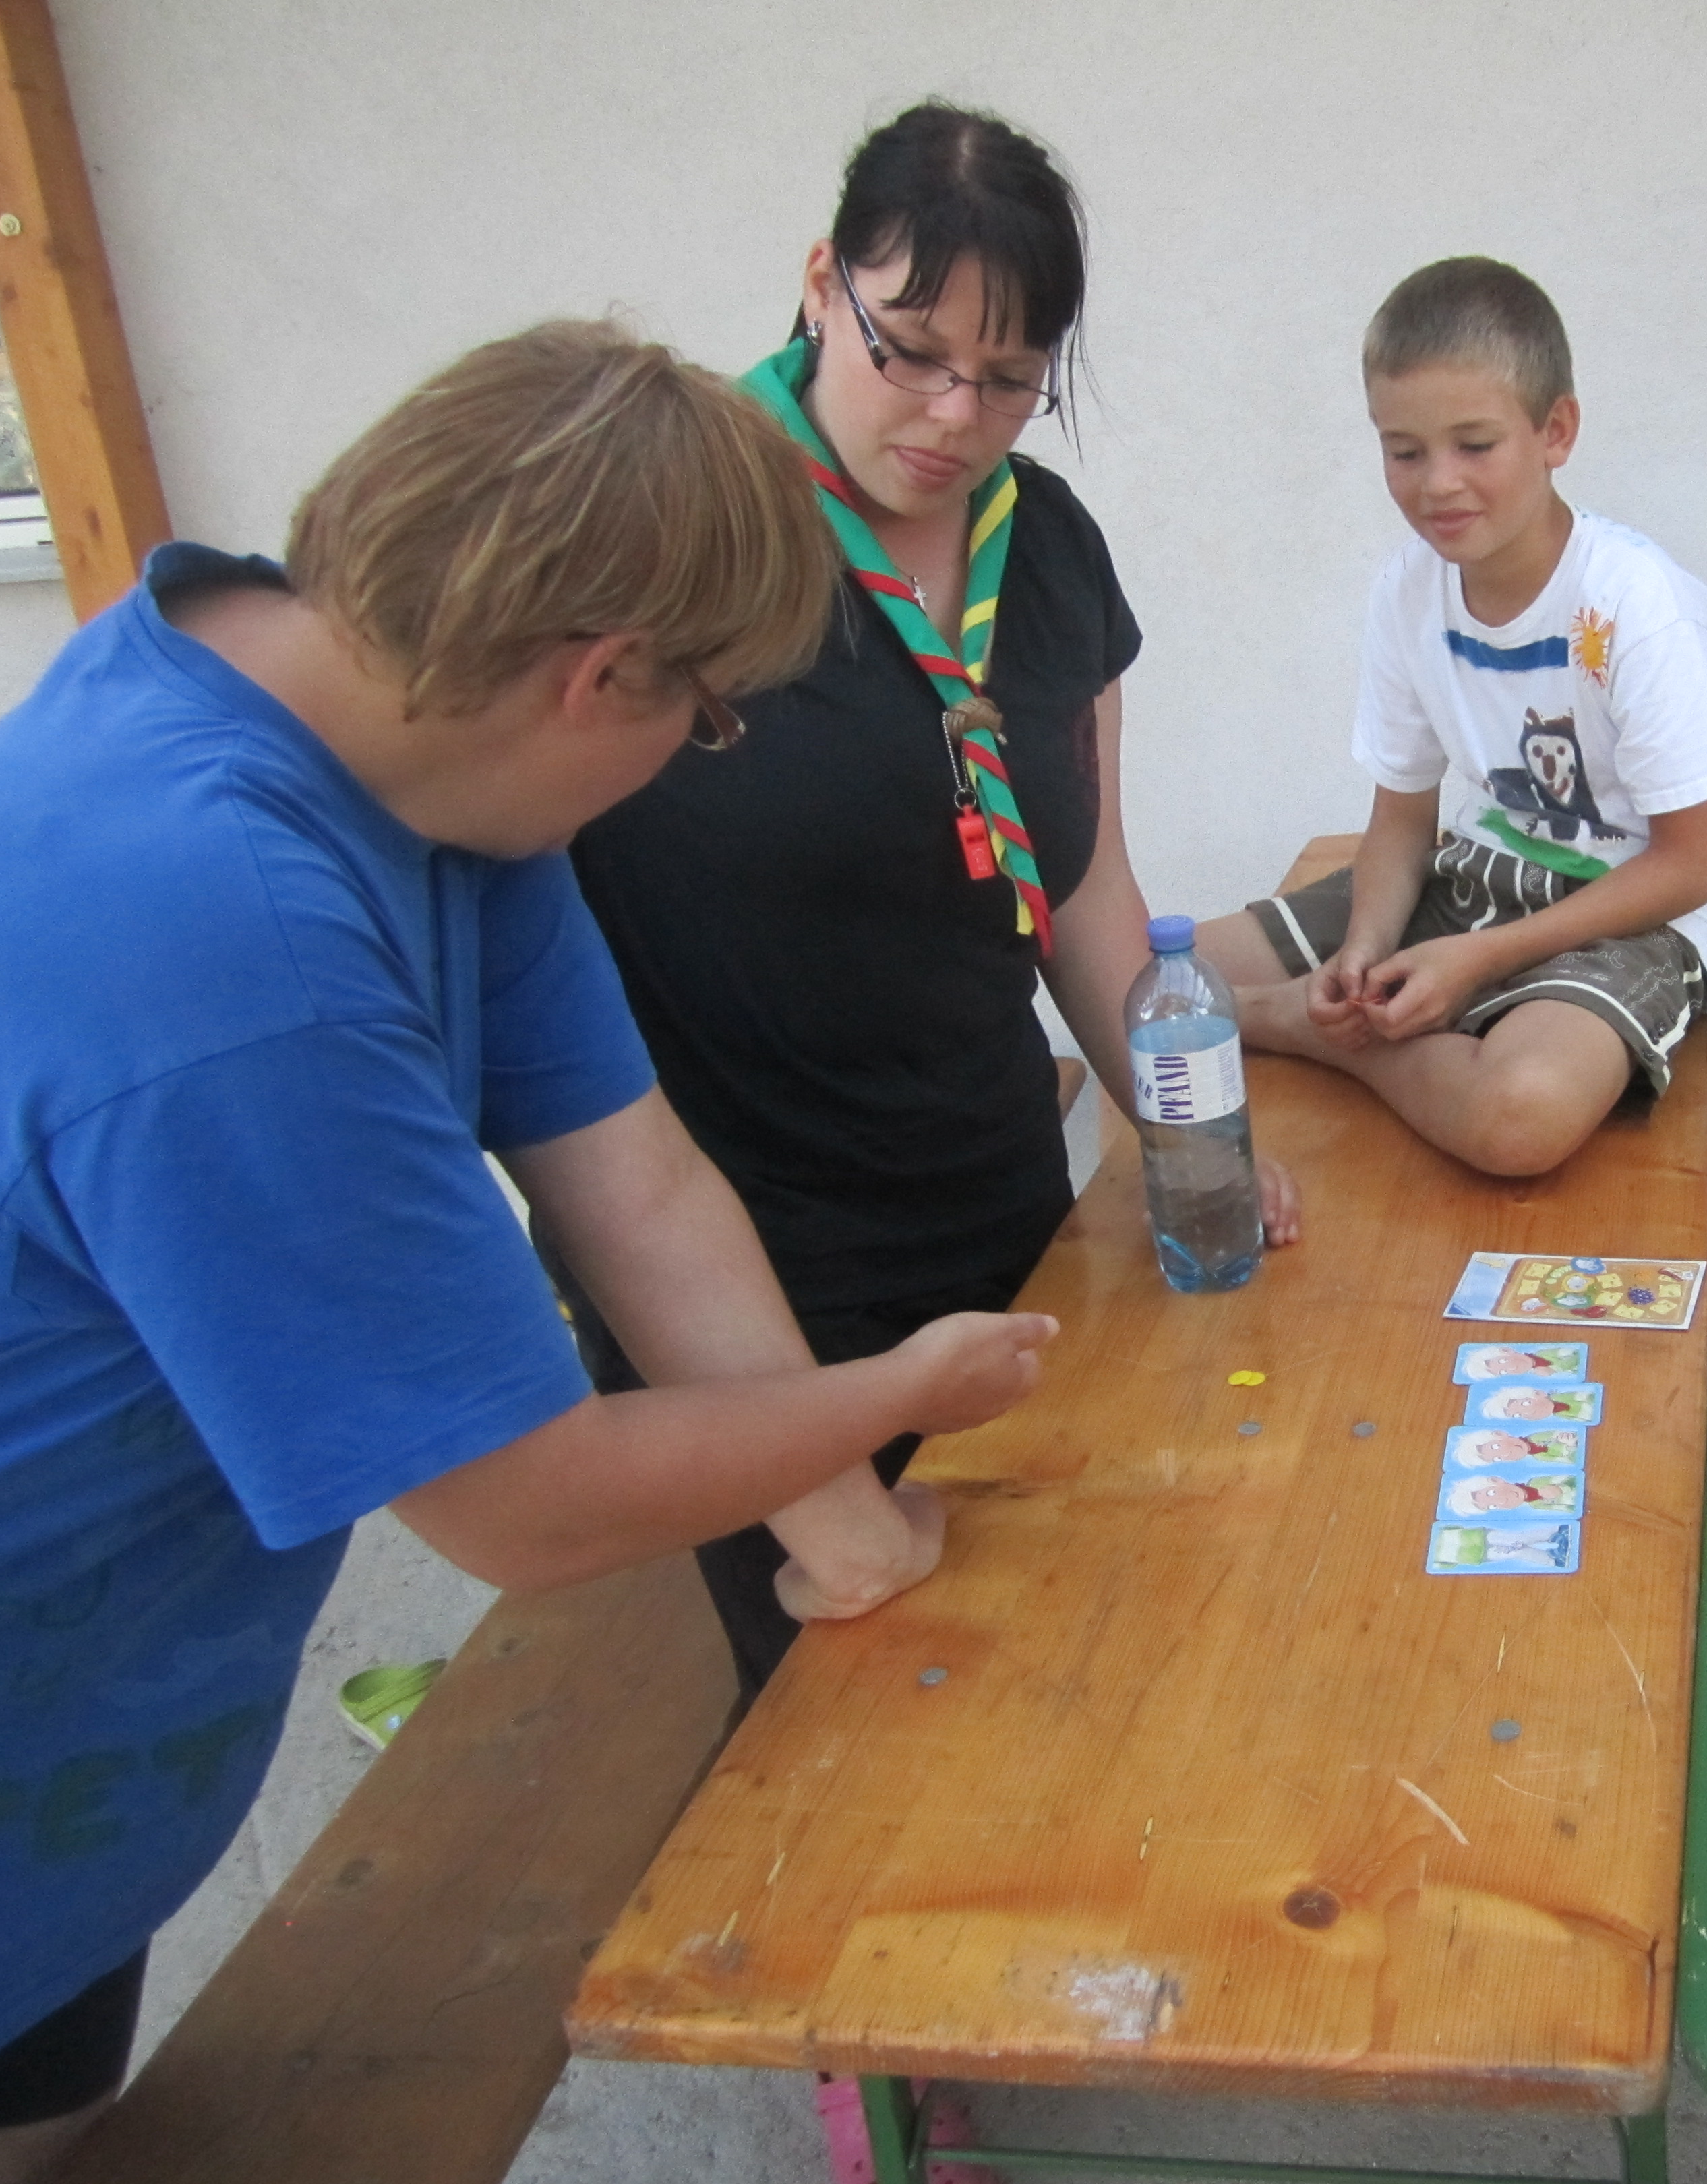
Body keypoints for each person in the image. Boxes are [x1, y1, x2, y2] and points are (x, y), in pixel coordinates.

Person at [0, 322, 1056, 2184]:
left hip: (85, 1772)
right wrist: (898, 1390)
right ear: (600, 675)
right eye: (703, 716)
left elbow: (639, 1188)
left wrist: (851, 1533)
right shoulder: (229, 937)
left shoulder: (402, 733)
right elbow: (525, 1506)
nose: (689, 757)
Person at [556, 103, 1296, 1708]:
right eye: (913, 352)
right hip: (750, 1276)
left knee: (1084, 1675)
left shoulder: (1046, 547)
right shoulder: (679, 536)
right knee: (859, 1725)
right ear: (822, 284)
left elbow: (1081, 875)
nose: (958, 416)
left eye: (1012, 377)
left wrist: (1189, 1140)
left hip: (999, 1212)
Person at [1195, 257, 1707, 1179]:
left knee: (1520, 1119)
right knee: (1167, 981)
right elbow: (1401, 821)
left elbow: (1691, 865)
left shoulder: (1635, 604)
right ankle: (1341, 1013)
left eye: (1474, 445)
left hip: (1644, 912)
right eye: (1405, 451)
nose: (1439, 484)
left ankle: (1312, 1031)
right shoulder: (1407, 589)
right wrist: (1364, 952)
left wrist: (1475, 962)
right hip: (1486, 870)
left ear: (1556, 432)